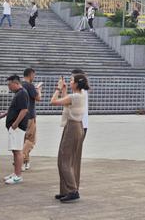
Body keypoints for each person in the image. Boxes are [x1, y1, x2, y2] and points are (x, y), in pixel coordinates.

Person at [51, 73, 89, 202]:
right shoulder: (81, 95)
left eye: (72, 80)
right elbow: (67, 102)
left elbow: (53, 101)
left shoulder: (75, 96)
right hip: (76, 126)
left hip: (72, 128)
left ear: (77, 84)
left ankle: (72, 190)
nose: (70, 82)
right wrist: (64, 90)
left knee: (64, 160)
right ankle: (66, 190)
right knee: (68, 160)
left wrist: (58, 88)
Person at [0, 75, 29, 185]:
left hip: (18, 127)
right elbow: (16, 108)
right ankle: (16, 173)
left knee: (17, 150)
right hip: (15, 127)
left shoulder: (22, 93)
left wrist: (15, 123)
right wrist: (5, 114)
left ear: (16, 83)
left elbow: (24, 110)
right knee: (15, 150)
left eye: (9, 85)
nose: (9, 87)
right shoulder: (19, 93)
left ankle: (18, 176)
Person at [21, 68, 42, 171]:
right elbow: (38, 98)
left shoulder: (21, 85)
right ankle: (21, 158)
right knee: (31, 140)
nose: (34, 77)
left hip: (22, 116)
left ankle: (26, 161)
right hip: (30, 116)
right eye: (34, 75)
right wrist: (38, 90)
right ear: (30, 75)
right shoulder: (30, 86)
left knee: (25, 140)